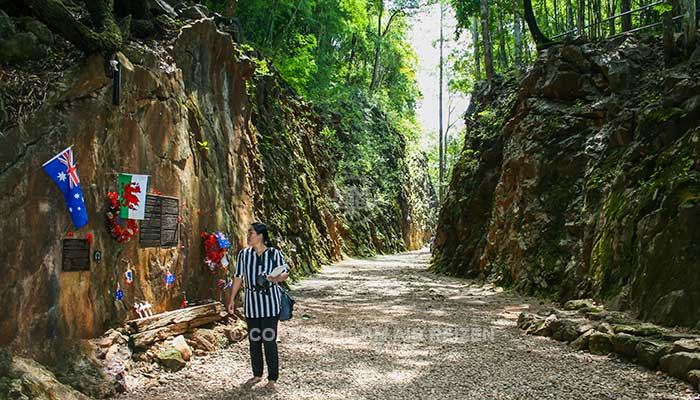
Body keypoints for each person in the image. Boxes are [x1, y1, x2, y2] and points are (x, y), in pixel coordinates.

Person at [228, 221, 290, 390]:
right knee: (254, 340)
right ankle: (257, 373)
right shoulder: (244, 255)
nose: (248, 236)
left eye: (251, 233)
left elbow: (285, 272)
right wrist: (232, 298)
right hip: (251, 305)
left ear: (261, 236)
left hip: (270, 304)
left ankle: (272, 377)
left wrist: (274, 278)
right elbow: (238, 277)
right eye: (248, 233)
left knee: (269, 340)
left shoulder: (274, 254)